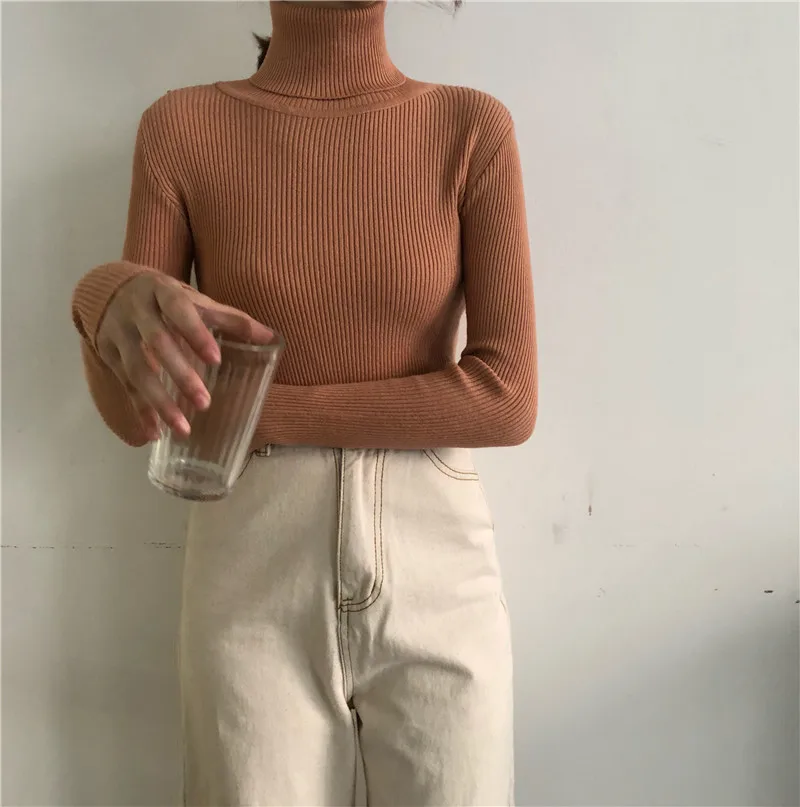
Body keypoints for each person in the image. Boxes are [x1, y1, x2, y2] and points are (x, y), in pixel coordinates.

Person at [70, 1, 537, 804]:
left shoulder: (468, 127)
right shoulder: (183, 129)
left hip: (438, 567)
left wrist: (258, 414)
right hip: (251, 564)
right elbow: (137, 416)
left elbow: (506, 396)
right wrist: (98, 296)